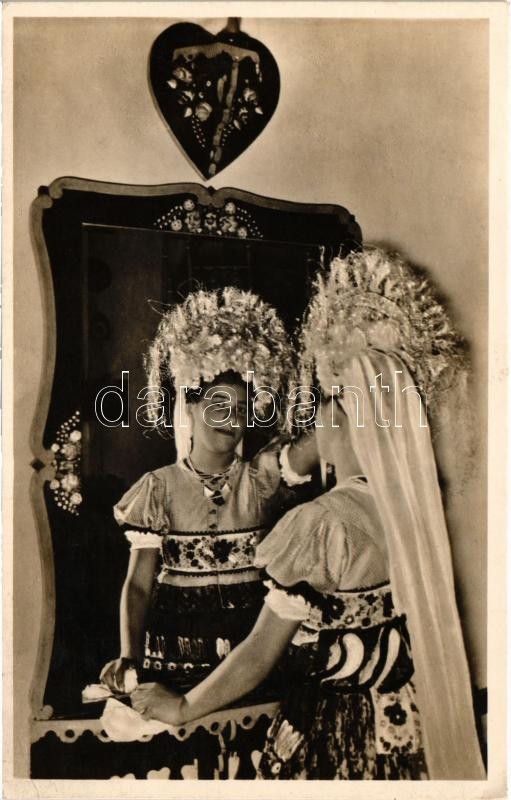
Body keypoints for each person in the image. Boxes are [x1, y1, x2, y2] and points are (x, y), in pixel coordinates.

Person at [131, 249, 486, 780]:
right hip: (407, 726)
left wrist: (181, 708)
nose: (314, 423)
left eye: (322, 406)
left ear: (347, 414)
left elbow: (259, 652)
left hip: (339, 730)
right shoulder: (411, 506)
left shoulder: (322, 522)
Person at [100, 287, 317, 777]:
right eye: (219, 403)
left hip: (252, 651)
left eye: (242, 406)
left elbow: (316, 442)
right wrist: (129, 655)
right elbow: (139, 585)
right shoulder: (157, 488)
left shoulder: (261, 478)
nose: (232, 417)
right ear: (191, 407)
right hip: (178, 654)